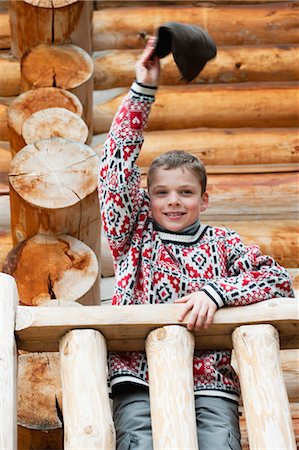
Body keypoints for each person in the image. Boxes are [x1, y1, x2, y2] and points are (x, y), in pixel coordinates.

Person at [98, 37, 294, 450]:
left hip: (211, 383)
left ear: (204, 199)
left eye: (185, 192)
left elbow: (278, 281)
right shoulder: (132, 235)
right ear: (145, 199)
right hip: (139, 377)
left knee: (219, 443)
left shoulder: (223, 243)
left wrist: (217, 291)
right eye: (162, 192)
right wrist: (142, 91)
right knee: (138, 443)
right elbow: (114, 166)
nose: (173, 201)